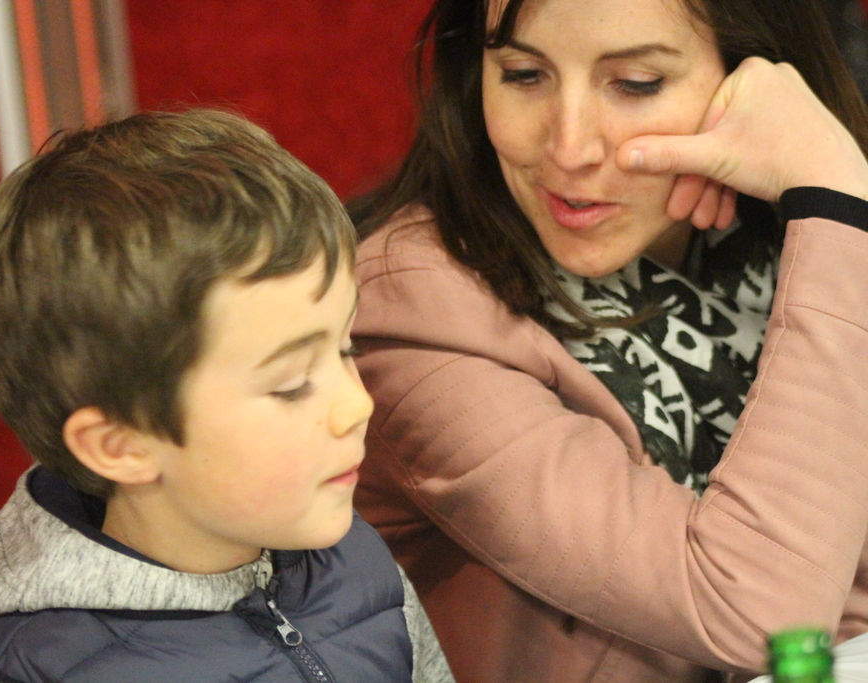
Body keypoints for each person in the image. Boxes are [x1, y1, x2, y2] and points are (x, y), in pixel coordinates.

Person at [347, 0, 868, 680]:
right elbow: (764, 617)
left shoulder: (771, 231)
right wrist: (836, 205)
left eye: (635, 84)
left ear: (752, 77)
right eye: (524, 75)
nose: (570, 148)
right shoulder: (410, 309)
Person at [0, 109, 454, 683]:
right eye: (291, 384)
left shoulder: (354, 562)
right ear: (121, 444)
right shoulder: (34, 670)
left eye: (345, 347)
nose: (357, 405)